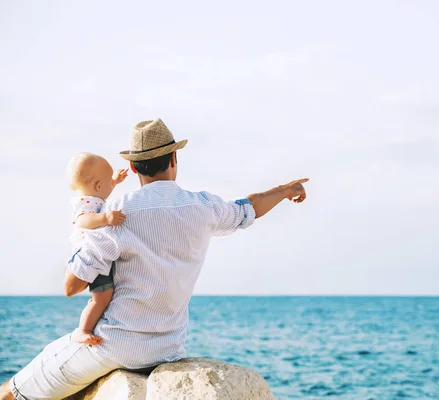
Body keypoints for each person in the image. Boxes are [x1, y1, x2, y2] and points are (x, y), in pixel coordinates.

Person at [0, 118, 309, 400]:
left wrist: (82, 236)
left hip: (114, 346)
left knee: (11, 392)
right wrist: (285, 190)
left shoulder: (116, 213)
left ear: (133, 168)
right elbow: (248, 207)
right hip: (168, 349)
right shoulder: (203, 207)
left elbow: (72, 286)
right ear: (174, 158)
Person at [66, 153, 128, 346]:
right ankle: (83, 330)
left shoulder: (94, 198)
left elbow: (103, 192)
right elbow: (83, 220)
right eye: (108, 182)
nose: (112, 185)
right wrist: (106, 219)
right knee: (100, 298)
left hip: (98, 256)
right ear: (99, 186)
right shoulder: (85, 204)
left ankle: (88, 327)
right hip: (87, 255)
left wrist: (115, 181)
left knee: (103, 297)